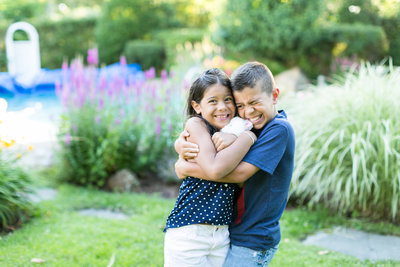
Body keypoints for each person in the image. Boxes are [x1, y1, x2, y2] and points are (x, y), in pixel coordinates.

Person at [174, 61, 295, 266]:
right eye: (240, 105)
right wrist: (180, 144)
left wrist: (185, 168)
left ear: (274, 96)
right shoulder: (253, 125)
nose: (248, 112)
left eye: (254, 102)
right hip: (234, 230)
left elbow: (238, 174)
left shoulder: (278, 129)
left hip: (254, 236)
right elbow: (212, 144)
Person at [164, 68, 257, 267]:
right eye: (213, 101)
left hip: (221, 233)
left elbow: (240, 179)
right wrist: (249, 138)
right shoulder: (196, 124)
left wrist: (237, 135)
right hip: (189, 232)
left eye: (228, 99)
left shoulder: (236, 127)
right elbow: (215, 169)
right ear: (197, 106)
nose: (222, 107)